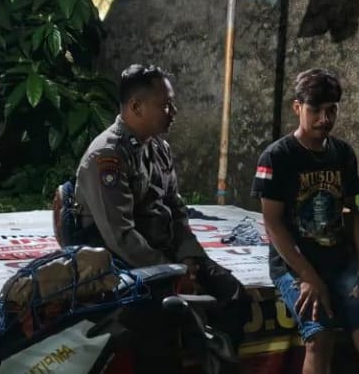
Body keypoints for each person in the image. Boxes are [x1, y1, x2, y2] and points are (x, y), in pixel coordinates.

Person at [74, 64, 248, 355]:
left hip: (167, 254)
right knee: (162, 317)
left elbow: (176, 210)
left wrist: (189, 257)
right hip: (127, 262)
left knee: (234, 294)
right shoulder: (107, 156)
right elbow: (121, 236)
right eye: (165, 105)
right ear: (136, 107)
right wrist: (173, 272)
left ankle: (216, 359)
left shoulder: (159, 148)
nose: (173, 112)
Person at [252, 69, 359, 374]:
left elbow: (351, 211)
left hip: (340, 260)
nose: (324, 119)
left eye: (331, 110)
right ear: (297, 108)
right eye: (315, 110)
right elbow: (273, 224)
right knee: (319, 339)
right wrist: (308, 276)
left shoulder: (342, 153)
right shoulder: (277, 157)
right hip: (294, 265)